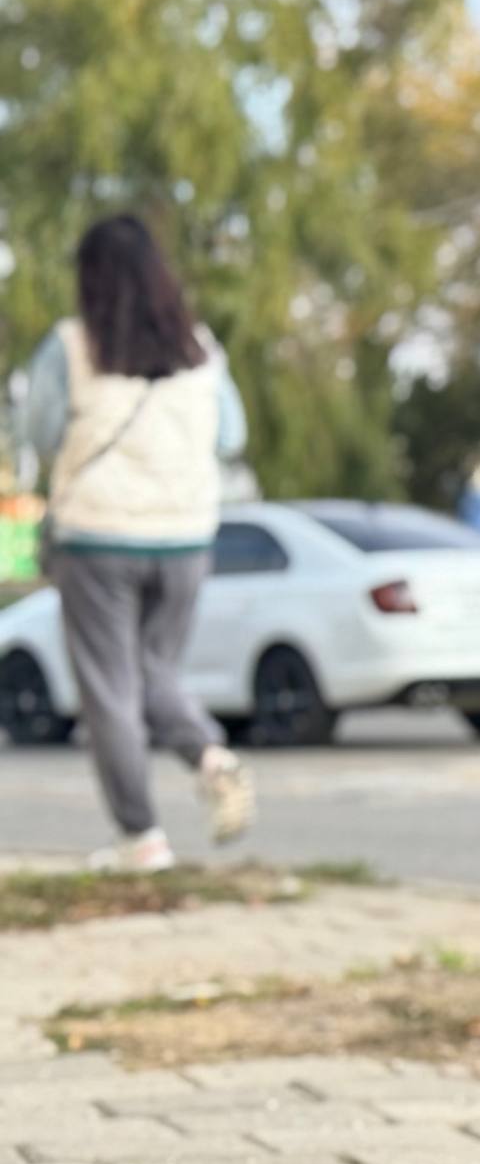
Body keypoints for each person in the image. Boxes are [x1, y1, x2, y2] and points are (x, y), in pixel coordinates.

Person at [24, 215, 255, 871]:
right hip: (185, 537)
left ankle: (142, 838)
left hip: (98, 537)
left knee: (111, 690)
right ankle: (212, 756)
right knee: (154, 672)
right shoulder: (201, 349)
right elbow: (230, 436)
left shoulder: (72, 346)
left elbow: (40, 434)